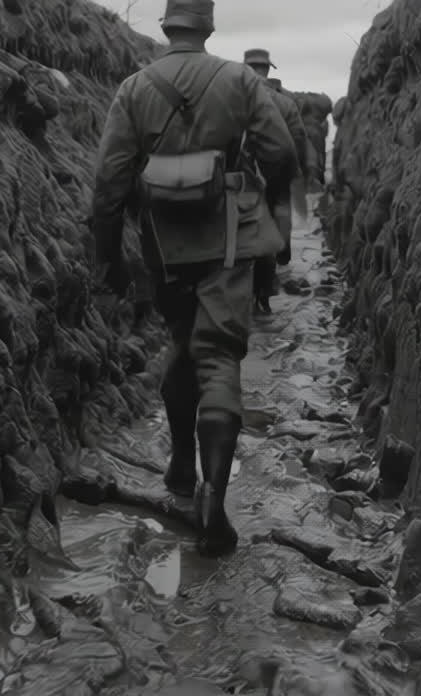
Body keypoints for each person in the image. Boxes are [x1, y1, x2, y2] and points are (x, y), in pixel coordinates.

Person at [90, 0, 297, 557]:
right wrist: (270, 194)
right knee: (219, 355)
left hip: (162, 246)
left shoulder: (134, 88)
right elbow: (280, 150)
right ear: (207, 26)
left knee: (184, 344)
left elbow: (109, 183)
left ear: (166, 26)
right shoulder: (237, 79)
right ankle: (214, 501)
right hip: (228, 242)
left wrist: (109, 257)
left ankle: (182, 461)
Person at [243, 49, 309, 316]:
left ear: (246, 68)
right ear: (268, 70)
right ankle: (264, 295)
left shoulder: (234, 97)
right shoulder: (286, 103)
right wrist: (298, 173)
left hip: (244, 177)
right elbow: (299, 141)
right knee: (276, 221)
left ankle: (242, 292)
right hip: (278, 174)